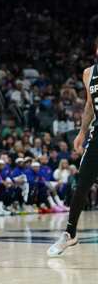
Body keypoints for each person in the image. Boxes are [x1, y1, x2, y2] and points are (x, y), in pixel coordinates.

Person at [48, 61, 98, 256]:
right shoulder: (89, 73)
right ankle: (70, 233)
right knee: (81, 185)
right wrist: (82, 132)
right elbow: (89, 106)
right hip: (97, 136)